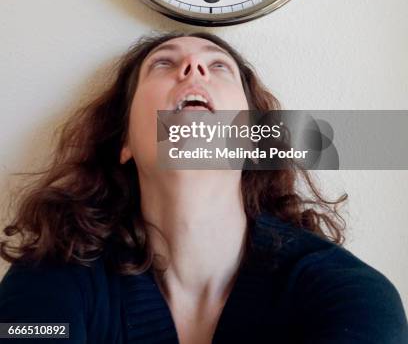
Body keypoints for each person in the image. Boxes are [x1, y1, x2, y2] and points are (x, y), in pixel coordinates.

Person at [0, 31, 407, 343]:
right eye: (162, 64)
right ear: (124, 143)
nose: (192, 68)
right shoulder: (47, 278)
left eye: (218, 67)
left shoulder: (352, 296)